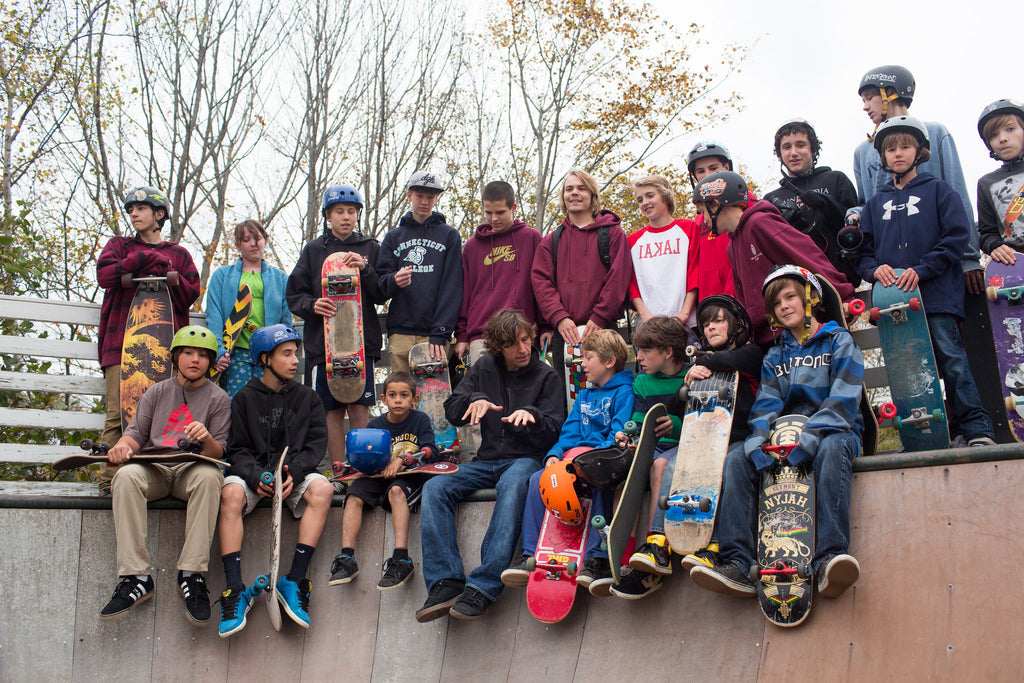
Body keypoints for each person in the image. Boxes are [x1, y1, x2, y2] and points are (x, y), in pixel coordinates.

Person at [690, 267, 864, 599]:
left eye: (790, 297)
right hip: (785, 438)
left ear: (810, 299)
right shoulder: (776, 355)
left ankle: (830, 557)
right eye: (776, 303)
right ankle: (738, 564)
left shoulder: (839, 340)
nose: (784, 306)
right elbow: (766, 404)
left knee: (831, 449)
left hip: (836, 432)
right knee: (737, 459)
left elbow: (843, 400)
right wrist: (757, 441)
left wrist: (809, 438)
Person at [416, 309, 564, 622]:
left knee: (513, 486)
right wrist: (475, 399)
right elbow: (451, 409)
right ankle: (445, 580)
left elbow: (556, 427)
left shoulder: (546, 375)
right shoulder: (484, 367)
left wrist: (533, 418)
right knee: (434, 486)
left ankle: (484, 585)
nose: (523, 349)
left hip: (526, 460)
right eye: (513, 344)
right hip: (486, 461)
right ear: (499, 347)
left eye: (525, 340)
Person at [857, 116, 996, 447]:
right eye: (891, 149)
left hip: (936, 296)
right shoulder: (875, 204)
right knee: (906, 370)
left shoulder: (939, 190)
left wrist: (923, 268)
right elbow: (862, 254)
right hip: (893, 302)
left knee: (952, 361)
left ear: (920, 151)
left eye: (905, 146)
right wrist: (875, 270)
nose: (898, 154)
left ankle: (977, 430)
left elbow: (956, 237)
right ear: (882, 157)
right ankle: (919, 436)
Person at [99, 325, 229, 626]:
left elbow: (218, 454)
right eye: (188, 353)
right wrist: (121, 447)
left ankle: (192, 575)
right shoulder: (156, 392)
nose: (194, 360)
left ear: (210, 362)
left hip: (191, 470)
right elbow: (135, 435)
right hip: (155, 468)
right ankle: (136, 577)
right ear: (175, 357)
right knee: (126, 476)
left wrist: (207, 438)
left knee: (211, 478)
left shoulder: (218, 398)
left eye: (202, 355)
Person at [216, 324, 331, 635]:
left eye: (296, 353)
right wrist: (254, 476)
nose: (296, 360)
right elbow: (236, 449)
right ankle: (234, 589)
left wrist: (296, 469)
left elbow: (316, 445)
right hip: (254, 476)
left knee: (323, 489)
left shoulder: (308, 397)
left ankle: (293, 580)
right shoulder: (243, 399)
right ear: (265, 359)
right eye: (287, 354)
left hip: (293, 475)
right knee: (229, 496)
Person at [500, 329, 634, 597]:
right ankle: (530, 553)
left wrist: (585, 455)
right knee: (538, 478)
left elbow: (617, 435)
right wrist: (555, 453)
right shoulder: (584, 396)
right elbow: (569, 432)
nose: (581, 363)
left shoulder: (624, 392)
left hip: (602, 459)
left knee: (600, 477)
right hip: (573, 460)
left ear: (609, 362)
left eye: (588, 358)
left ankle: (596, 556)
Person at [95, 187, 201, 492]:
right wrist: (144, 260)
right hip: (121, 345)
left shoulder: (179, 255)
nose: (134, 214)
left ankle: (158, 477)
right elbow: (105, 276)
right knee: (118, 415)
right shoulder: (119, 245)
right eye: (131, 210)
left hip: (164, 347)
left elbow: (188, 296)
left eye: (141, 208)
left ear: (159, 215)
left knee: (160, 413)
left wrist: (168, 272)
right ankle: (108, 481)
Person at [850, 65, 983, 295]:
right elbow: (867, 204)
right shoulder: (862, 151)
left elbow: (957, 193)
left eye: (869, 97)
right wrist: (853, 214)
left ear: (890, 92)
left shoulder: (935, 132)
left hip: (938, 267)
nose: (865, 106)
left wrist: (969, 258)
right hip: (890, 276)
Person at [694, 170, 854, 349]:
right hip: (766, 338)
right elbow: (743, 297)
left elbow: (807, 256)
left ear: (716, 204)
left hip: (794, 330)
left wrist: (843, 296)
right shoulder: (732, 246)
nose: (704, 220)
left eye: (703, 212)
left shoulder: (760, 223)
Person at [287, 185, 384, 466]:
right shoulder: (314, 250)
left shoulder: (370, 248)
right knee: (331, 409)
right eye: (339, 211)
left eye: (351, 211)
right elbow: (294, 293)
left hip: (360, 342)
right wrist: (312, 305)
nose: (346, 217)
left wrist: (365, 269)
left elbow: (381, 293)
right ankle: (340, 469)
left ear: (358, 215)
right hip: (325, 344)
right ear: (328, 215)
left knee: (359, 405)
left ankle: (362, 465)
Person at [531, 168, 632, 410]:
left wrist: (599, 316)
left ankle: (607, 445)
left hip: (602, 329)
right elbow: (542, 283)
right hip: (565, 334)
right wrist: (559, 318)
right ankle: (572, 445)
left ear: (592, 195)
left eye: (581, 188)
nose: (574, 193)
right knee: (570, 399)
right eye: (569, 189)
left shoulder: (613, 234)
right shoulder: (550, 241)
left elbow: (618, 278)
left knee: (605, 396)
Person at [329, 372, 438, 591]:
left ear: (414, 399)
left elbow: (430, 451)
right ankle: (346, 557)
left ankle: (401, 559)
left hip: (410, 475)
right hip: (379, 475)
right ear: (384, 400)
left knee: (396, 492)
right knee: (354, 494)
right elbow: (365, 457)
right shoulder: (374, 425)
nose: (398, 400)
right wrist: (349, 465)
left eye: (404, 395)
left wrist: (402, 460)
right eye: (392, 395)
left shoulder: (420, 420)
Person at [605, 316, 688, 598]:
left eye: (645, 351)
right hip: (651, 447)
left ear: (668, 351)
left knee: (660, 467)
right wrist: (630, 439)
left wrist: (676, 425)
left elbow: (702, 421)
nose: (638, 357)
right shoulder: (641, 382)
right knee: (624, 474)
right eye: (637, 350)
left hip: (681, 449)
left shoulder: (689, 376)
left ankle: (657, 545)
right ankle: (624, 557)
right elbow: (639, 421)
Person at [376, 171, 463, 374]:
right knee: (401, 394)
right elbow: (379, 286)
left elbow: (452, 287)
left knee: (434, 399)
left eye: (430, 197)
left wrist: (441, 332)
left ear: (436, 198)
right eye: (419, 196)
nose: (424, 202)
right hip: (400, 331)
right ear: (409, 196)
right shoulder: (393, 237)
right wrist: (394, 280)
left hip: (434, 335)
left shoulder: (449, 236)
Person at [455, 180, 546, 366]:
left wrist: (546, 327)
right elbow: (465, 293)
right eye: (488, 212)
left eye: (500, 212)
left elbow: (542, 285)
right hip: (482, 334)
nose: (493, 218)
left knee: (522, 393)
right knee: (484, 392)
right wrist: (462, 335)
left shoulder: (531, 238)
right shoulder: (473, 247)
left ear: (513, 207)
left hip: (521, 334)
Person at [764, 119, 861, 286]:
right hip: (797, 284)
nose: (793, 152)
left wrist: (824, 203)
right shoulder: (771, 199)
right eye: (787, 147)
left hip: (841, 278)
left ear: (813, 150)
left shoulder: (836, 179)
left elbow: (856, 229)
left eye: (800, 145)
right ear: (779, 154)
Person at [206, 219, 291, 398]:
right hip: (235, 354)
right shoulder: (222, 276)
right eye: (246, 240)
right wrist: (219, 351)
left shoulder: (280, 278)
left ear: (265, 241)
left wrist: (282, 352)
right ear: (237, 245)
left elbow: (285, 319)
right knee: (236, 402)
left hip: (268, 355)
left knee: (268, 404)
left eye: (258, 238)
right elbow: (214, 316)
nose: (254, 243)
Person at [628, 175, 700, 326]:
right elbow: (631, 282)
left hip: (687, 322)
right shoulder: (633, 241)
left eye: (650, 196)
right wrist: (645, 316)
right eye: (640, 200)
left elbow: (695, 272)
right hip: (648, 324)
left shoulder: (689, 228)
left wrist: (684, 314)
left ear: (665, 196)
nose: (644, 203)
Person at [685, 140, 743, 300]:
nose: (708, 176)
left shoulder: (745, 205)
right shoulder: (699, 219)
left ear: (727, 168)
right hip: (708, 307)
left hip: (738, 301)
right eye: (701, 171)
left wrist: (729, 299)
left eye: (713, 168)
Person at [975, 99, 1024, 261]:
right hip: (1016, 266)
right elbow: (987, 232)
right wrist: (994, 246)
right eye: (994, 135)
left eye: (1010, 129)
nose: (1002, 138)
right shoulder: (986, 184)